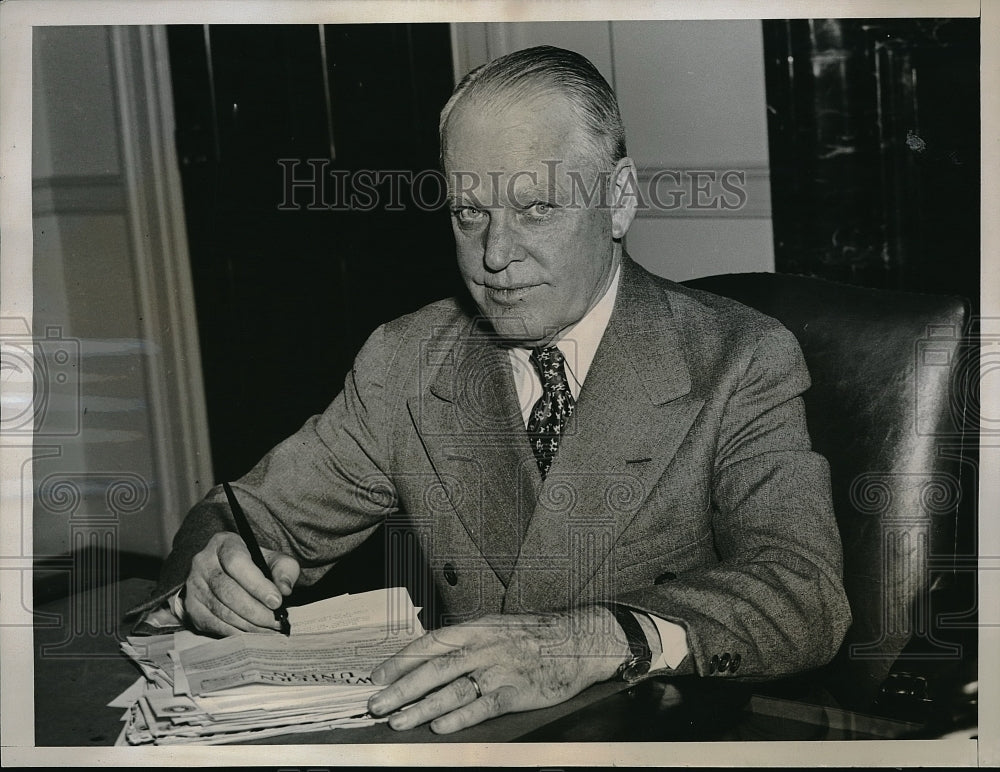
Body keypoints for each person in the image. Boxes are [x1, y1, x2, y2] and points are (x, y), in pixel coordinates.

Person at [133, 45, 851, 734]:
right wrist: (212, 573)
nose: (495, 256)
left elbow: (801, 594)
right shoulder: (408, 360)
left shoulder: (738, 358)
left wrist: (592, 638)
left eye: (537, 208)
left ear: (620, 200)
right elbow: (245, 515)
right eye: (468, 212)